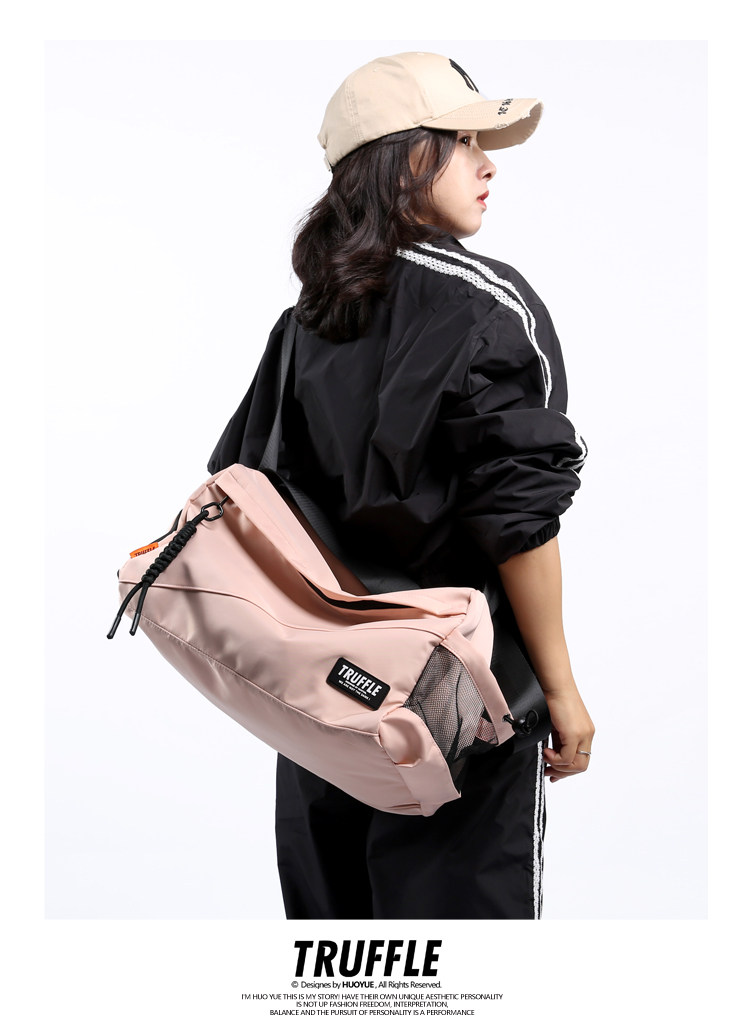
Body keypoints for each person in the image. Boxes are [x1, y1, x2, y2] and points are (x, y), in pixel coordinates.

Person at [208, 51, 595, 920]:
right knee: (464, 975)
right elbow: (520, 518)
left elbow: (248, 498)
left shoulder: (306, 320)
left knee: (340, 966)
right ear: (406, 154)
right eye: (465, 141)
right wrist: (563, 689)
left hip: (323, 708)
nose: (489, 165)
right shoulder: (487, 306)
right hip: (461, 710)